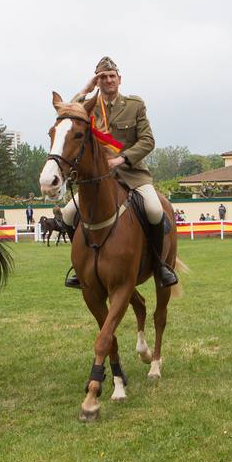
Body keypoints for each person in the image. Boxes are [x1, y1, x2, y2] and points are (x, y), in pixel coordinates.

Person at [58, 57, 177, 289]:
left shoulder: (134, 105)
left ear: (119, 79)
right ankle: (81, 265)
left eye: (112, 76)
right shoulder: (87, 107)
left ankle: (159, 264)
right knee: (68, 213)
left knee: (154, 209)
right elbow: (67, 114)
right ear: (97, 81)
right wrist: (85, 89)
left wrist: (122, 159)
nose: (108, 80)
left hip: (132, 174)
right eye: (102, 77)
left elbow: (147, 140)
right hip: (98, 179)